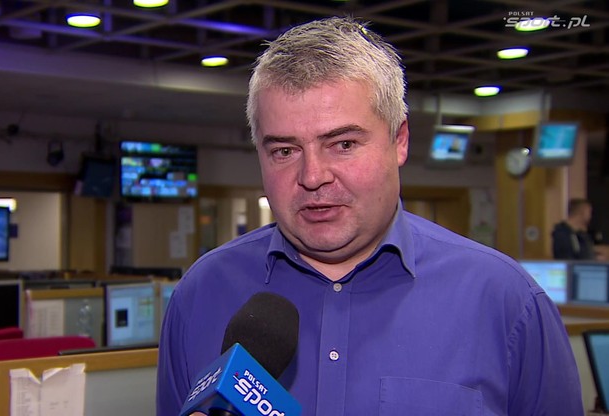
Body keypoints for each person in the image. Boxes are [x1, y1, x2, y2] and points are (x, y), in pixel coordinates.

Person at [157, 16, 582, 415]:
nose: (312, 176)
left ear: (400, 141)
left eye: (343, 144)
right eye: (284, 151)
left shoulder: (507, 302)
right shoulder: (200, 295)